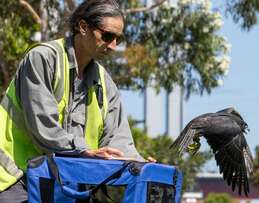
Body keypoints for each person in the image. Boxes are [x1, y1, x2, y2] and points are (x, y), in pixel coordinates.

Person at [0, 0, 154, 202]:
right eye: (107, 36)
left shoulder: (106, 84)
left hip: (62, 181)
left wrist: (141, 164)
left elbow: (119, 141)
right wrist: (85, 150)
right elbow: (44, 129)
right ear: (83, 27)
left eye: (118, 39)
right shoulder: (43, 59)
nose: (114, 46)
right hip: (14, 177)